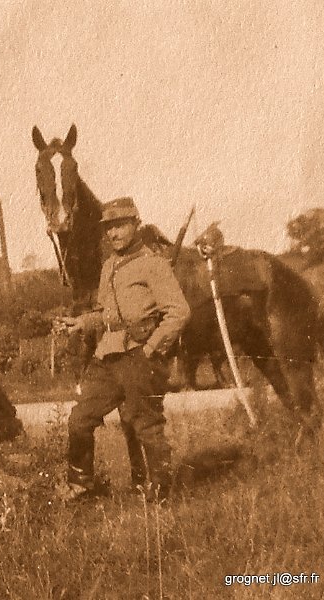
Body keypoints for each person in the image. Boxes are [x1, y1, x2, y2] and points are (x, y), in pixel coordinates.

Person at [60, 197, 191, 501]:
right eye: (109, 228)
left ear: (136, 225)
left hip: (140, 355)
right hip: (108, 356)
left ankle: (160, 492)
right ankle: (81, 487)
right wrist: (81, 322)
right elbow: (107, 314)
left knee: (146, 426)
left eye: (120, 225)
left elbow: (179, 312)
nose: (114, 233)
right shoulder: (109, 267)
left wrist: (152, 349)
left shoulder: (153, 264)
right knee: (79, 419)